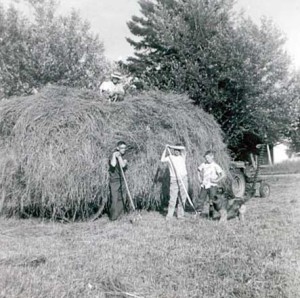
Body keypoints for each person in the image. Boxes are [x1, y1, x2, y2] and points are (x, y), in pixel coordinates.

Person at [161, 144, 188, 220]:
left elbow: (183, 147)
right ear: (173, 151)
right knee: (173, 198)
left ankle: (180, 215)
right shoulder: (170, 157)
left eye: (178, 150)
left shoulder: (182, 156)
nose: (177, 152)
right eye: (175, 150)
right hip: (174, 179)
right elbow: (162, 160)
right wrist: (166, 149)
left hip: (183, 178)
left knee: (182, 198)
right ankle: (169, 215)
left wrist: (170, 146)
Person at [196, 150, 226, 219]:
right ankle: (198, 213)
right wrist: (199, 179)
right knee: (201, 199)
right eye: (206, 158)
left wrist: (216, 180)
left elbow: (223, 174)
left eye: (208, 158)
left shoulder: (215, 165)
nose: (207, 159)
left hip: (212, 186)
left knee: (212, 201)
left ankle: (211, 215)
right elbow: (198, 171)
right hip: (204, 185)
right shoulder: (203, 164)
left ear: (212, 157)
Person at [108, 141, 128, 220]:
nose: (124, 150)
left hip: (122, 180)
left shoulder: (126, 156)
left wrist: (119, 157)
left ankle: (120, 214)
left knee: (122, 197)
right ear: (117, 148)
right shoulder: (112, 155)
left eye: (124, 148)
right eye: (122, 148)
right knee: (114, 198)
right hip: (114, 180)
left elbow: (123, 165)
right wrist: (114, 155)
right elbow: (113, 164)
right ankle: (113, 217)